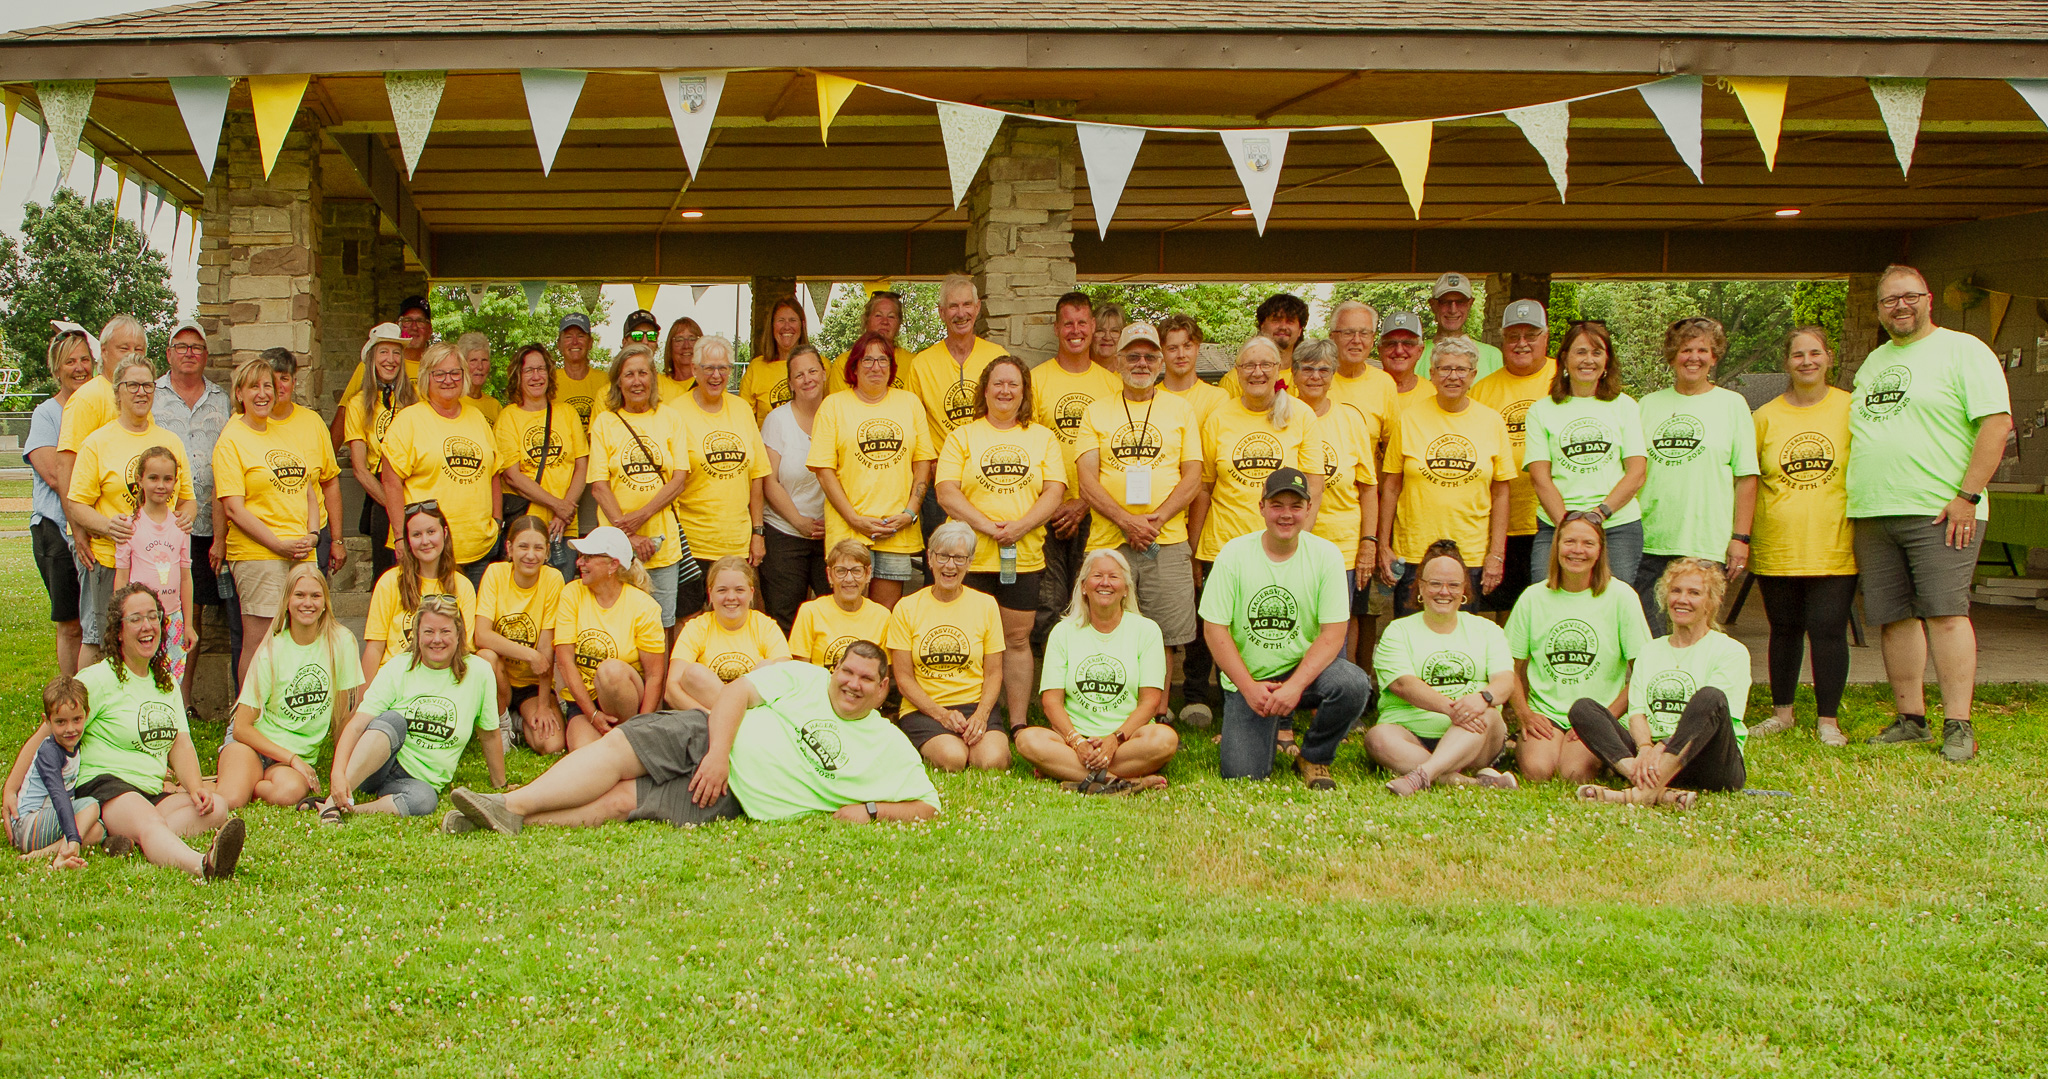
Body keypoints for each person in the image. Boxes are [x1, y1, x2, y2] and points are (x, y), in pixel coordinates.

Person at [445, 643, 937, 833]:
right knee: (622, 750)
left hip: (732, 798)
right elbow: (735, 695)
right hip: (706, 738)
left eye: (865, 680)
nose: (851, 684)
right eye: (846, 672)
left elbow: (929, 806)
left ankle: (508, 820)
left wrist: (870, 811)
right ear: (835, 670)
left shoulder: (889, 744)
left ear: (882, 689)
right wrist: (719, 753)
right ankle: (511, 804)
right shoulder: (804, 677)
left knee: (622, 802)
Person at [1847, 264, 2013, 761]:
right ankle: (1910, 718)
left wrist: (1968, 495)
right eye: (1889, 300)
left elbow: (1996, 425)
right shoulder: (1873, 362)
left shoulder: (1964, 350)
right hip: (1876, 509)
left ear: (1928, 299)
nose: (1900, 306)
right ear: (1879, 309)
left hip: (1941, 510)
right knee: (1894, 618)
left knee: (1945, 614)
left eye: (1909, 297)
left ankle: (1958, 724)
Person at [1203, 468, 1372, 788]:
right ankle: (1258, 729)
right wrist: (1250, 688)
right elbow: (1215, 629)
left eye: (1295, 506)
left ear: (1309, 509)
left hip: (1305, 676)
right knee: (1242, 775)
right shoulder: (1233, 555)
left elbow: (1334, 633)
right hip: (1251, 679)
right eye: (1277, 505)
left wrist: (1294, 686)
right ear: (1262, 507)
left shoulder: (1327, 556)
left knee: (1352, 682)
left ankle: (1315, 756)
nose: (1286, 514)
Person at [1187, 336, 1322, 732]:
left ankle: (1282, 715)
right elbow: (1205, 486)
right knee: (1219, 628)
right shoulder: (1219, 417)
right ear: (1237, 371)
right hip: (1224, 543)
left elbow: (1314, 484)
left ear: (1280, 368)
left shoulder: (1300, 414)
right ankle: (1217, 704)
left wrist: (1299, 541)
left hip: (1282, 546)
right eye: (1248, 365)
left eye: (1266, 364)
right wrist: (1195, 547)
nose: (1257, 372)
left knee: (1275, 629)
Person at [1072, 323, 1205, 721]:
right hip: (1110, 542)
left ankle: (1158, 712)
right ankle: (1111, 709)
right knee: (1107, 624)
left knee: (1162, 633)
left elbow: (1193, 475)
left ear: (1161, 362)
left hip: (1167, 540)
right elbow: (1086, 479)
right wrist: (1127, 520)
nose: (1141, 363)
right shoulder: (1097, 410)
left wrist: (1157, 519)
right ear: (1117, 361)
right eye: (1133, 356)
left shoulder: (1180, 409)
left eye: (1149, 356)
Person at [73, 584, 245, 878]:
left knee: (216, 807)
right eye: (136, 619)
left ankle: (129, 841)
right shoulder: (98, 678)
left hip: (150, 790)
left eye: (153, 617)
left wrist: (195, 788)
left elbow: (181, 745)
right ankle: (203, 865)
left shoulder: (164, 682)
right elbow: (50, 733)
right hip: (107, 787)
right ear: (118, 631)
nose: (147, 626)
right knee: (149, 821)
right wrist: (13, 790)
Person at [938, 355, 1065, 732]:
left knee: (1015, 639)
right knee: (969, 639)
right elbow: (946, 491)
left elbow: (1055, 492)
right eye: (998, 383)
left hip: (1020, 557)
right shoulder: (962, 436)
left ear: (1024, 392)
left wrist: (1020, 527)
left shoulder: (1042, 437)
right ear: (985, 389)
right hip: (966, 559)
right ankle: (974, 717)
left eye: (1014, 384)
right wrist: (989, 528)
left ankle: (1018, 723)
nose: (1005, 391)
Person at [1749, 326, 1857, 746]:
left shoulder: (1850, 408)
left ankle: (1828, 720)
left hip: (1834, 540)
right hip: (1778, 540)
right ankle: (1782, 713)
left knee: (1829, 628)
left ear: (1829, 358)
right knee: (1784, 628)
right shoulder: (1765, 416)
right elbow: (1749, 479)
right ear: (1786, 362)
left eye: (1815, 353)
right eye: (1798, 355)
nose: (1807, 361)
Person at [1574, 558, 1751, 807]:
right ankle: (1655, 788)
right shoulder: (1650, 651)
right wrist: (1645, 747)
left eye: (1694, 593)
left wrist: (1662, 748)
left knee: (1710, 697)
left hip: (1707, 761)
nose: (1682, 599)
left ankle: (1636, 795)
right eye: (1676, 591)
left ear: (1712, 602)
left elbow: (1716, 716)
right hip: (1650, 760)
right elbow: (1636, 713)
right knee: (1583, 709)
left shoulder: (1732, 651)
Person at [323, 596, 505, 823]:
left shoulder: (480, 672)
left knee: (425, 800)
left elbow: (489, 734)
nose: (436, 640)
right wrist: (338, 775)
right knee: (393, 720)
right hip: (374, 765)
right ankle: (332, 803)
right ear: (417, 635)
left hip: (416, 781)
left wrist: (501, 785)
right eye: (428, 632)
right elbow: (357, 725)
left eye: (445, 632)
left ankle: (352, 809)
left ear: (459, 635)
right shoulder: (397, 667)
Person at [65, 358, 197, 669]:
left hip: (160, 566)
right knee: (101, 641)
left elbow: (187, 499)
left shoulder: (170, 441)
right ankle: (93, 711)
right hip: (111, 562)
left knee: (158, 651)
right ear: (118, 392)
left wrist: (186, 517)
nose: (141, 392)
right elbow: (75, 503)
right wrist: (109, 526)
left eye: (148, 385)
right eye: (133, 385)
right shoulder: (97, 443)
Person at [1016, 548, 1179, 793]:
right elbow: (1051, 702)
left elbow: (1150, 702)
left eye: (1114, 577)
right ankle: (1123, 782)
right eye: (1097, 576)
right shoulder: (1063, 632)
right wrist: (1077, 742)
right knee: (1028, 740)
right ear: (1083, 586)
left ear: (1126, 588)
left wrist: (1115, 739)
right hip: (1074, 742)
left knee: (1165, 740)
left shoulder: (1147, 631)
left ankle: (1072, 772)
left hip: (1127, 740)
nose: (1105, 583)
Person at [1504, 513, 1651, 784]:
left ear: (1600, 551)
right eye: (1569, 541)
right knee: (1538, 771)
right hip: (1546, 713)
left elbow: (1644, 672)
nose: (1577, 551)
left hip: (1598, 714)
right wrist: (1525, 714)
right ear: (1556, 546)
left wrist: (1603, 719)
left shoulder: (1622, 597)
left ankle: (1605, 756)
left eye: (1588, 543)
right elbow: (1509, 667)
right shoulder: (1533, 597)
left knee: (1574, 774)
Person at [1635, 317, 1760, 633]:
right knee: (1650, 637)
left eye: (1702, 350)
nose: (1694, 357)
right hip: (1651, 539)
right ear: (1672, 356)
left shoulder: (1733, 405)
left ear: (1714, 357)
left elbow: (1746, 477)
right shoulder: (1647, 406)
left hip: (1706, 542)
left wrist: (1740, 539)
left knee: (1696, 634)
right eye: (1685, 349)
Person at [1369, 539, 1519, 795]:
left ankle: (1423, 774)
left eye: (1453, 585)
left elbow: (1505, 682)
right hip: (1411, 733)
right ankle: (1467, 780)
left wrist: (1482, 698)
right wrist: (1452, 709)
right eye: (1435, 584)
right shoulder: (1398, 631)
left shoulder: (1487, 630)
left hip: (1475, 735)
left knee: (1486, 712)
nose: (1444, 592)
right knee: (1377, 738)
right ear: (1420, 588)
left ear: (1464, 592)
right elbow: (1403, 684)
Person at [1377, 337, 1514, 617]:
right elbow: (1391, 487)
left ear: (1474, 375)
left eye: (1462, 369)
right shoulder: (1410, 418)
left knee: (1460, 642)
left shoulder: (1492, 422)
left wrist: (1496, 554)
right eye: (1445, 369)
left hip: (1470, 554)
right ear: (1432, 374)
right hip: (1414, 552)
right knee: (1411, 638)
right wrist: (1383, 545)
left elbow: (1501, 493)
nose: (1453, 376)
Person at [215, 357, 326, 683]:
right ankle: (246, 719)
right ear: (239, 393)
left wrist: (313, 534)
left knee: (302, 636)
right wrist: (278, 544)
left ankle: (289, 714)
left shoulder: (284, 436)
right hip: (259, 554)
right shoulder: (231, 440)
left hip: (302, 550)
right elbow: (233, 507)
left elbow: (308, 491)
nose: (263, 393)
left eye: (268, 386)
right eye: (254, 387)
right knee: (261, 640)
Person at [216, 563, 363, 809]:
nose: (308, 603)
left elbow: (342, 718)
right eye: (299, 595)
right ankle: (233, 781)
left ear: (326, 601)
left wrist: (340, 771)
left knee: (289, 793)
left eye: (316, 595)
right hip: (253, 744)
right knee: (230, 800)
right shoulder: (271, 649)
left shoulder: (342, 642)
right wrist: (293, 759)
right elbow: (242, 727)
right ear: (286, 601)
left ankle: (244, 781)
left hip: (291, 761)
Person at [809, 331, 937, 609]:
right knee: (847, 615)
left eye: (883, 360)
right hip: (848, 530)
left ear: (892, 367)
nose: (876, 367)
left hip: (896, 531)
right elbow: (823, 471)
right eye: (867, 360)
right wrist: (854, 519)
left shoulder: (910, 403)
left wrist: (910, 513)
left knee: (884, 617)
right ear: (854, 366)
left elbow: (923, 463)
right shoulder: (833, 405)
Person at [1524, 318, 1647, 588]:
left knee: (1611, 605)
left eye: (1596, 352)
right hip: (1557, 525)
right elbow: (1540, 479)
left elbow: (1637, 473)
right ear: (1565, 359)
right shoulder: (1541, 411)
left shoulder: (1625, 406)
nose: (1588, 360)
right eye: (1580, 352)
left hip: (1617, 527)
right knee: (1547, 597)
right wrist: (1568, 526)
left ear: (1607, 360)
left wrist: (1599, 515)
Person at [588, 343, 699, 633]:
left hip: (662, 546)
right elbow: (599, 487)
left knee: (661, 625)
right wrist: (630, 535)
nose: (636, 381)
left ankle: (658, 681)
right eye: (628, 375)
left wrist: (641, 516)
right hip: (614, 548)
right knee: (616, 625)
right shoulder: (605, 423)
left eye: (642, 373)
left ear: (652, 378)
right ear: (618, 381)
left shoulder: (670, 418)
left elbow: (679, 479)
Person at [1033, 292, 1122, 651]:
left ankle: (1089, 666)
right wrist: (1052, 500)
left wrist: (1084, 502)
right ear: (1056, 328)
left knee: (1092, 595)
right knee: (1048, 599)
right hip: (1046, 509)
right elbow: (1029, 447)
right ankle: (1044, 679)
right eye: (1067, 323)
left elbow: (1117, 455)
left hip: (1096, 509)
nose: (1075, 330)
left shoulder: (1111, 384)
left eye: (1082, 323)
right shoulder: (1036, 380)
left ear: (1092, 327)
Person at [883, 521, 1008, 771]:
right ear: (929, 559)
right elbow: (904, 678)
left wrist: (981, 715)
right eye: (942, 556)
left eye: (959, 558)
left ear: (970, 562)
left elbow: (994, 673)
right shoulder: (906, 607)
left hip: (974, 705)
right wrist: (941, 715)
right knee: (953, 758)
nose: (950, 565)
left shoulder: (986, 605)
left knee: (992, 761)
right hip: (925, 708)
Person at [379, 341, 504, 588]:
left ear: (464, 376)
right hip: (429, 552)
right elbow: (391, 482)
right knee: (435, 625)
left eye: (455, 372)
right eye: (440, 373)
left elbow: (494, 473)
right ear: (427, 377)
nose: (448, 380)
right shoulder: (409, 420)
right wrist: (400, 537)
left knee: (474, 624)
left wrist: (497, 523)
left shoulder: (477, 418)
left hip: (480, 549)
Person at [151, 319, 232, 693]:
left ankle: (183, 697)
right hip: (159, 524)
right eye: (181, 346)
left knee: (192, 609)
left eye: (196, 347)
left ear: (205, 356)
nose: (189, 353)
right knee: (155, 606)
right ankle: (152, 689)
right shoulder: (152, 395)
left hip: (202, 525)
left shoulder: (221, 399)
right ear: (168, 353)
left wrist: (221, 532)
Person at [670, 335, 771, 616]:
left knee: (737, 616)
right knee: (687, 618)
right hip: (690, 541)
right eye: (708, 368)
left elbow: (757, 476)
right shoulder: (675, 412)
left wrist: (758, 532)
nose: (716, 375)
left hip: (736, 542)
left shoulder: (740, 409)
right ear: (694, 370)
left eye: (723, 368)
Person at [1291, 339, 1380, 652]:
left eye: (1324, 369)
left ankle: (1328, 699)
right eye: (1308, 368)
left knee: (1334, 629)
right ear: (1293, 373)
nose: (1316, 376)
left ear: (1333, 375)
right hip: (1289, 541)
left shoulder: (1351, 420)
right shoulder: (1282, 414)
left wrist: (1368, 543)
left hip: (1340, 545)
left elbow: (1368, 487)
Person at [1469, 299, 1558, 613]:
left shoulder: (1564, 380)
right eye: (1513, 335)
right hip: (1501, 523)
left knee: (1548, 607)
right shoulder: (1481, 390)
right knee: (1500, 609)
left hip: (1552, 519)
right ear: (1502, 340)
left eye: (1531, 334)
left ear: (1545, 337)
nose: (1522, 343)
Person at [551, 527, 668, 751]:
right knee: (585, 757)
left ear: (612, 565)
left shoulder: (643, 606)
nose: (579, 564)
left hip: (627, 698)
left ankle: (629, 736)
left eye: (588, 558)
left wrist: (641, 727)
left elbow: (654, 676)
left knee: (611, 671)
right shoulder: (571, 593)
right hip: (585, 704)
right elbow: (565, 663)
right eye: (580, 557)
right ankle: (614, 745)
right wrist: (592, 714)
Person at [907, 275, 1005, 541]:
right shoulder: (922, 363)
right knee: (940, 555)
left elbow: (1012, 417)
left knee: (986, 550)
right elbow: (913, 425)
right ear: (941, 312)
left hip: (988, 473)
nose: (960, 313)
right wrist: (930, 466)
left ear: (977, 308)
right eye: (952, 306)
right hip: (938, 480)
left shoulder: (997, 357)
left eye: (966, 305)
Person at [28, 324, 99, 676]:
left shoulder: (100, 408)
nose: (79, 368)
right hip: (57, 530)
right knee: (72, 623)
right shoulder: (47, 414)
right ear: (57, 368)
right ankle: (70, 696)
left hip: (93, 528)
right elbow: (56, 476)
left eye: (85, 360)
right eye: (70, 361)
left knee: (95, 622)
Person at [495, 342, 589, 580]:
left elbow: (582, 465)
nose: (536, 376)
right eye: (529, 371)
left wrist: (564, 511)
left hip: (565, 526)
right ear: (518, 375)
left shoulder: (567, 413)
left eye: (541, 369)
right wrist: (557, 505)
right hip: (526, 524)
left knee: (561, 594)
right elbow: (512, 476)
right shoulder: (509, 417)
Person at [475, 517, 566, 753]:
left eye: (538, 548)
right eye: (523, 546)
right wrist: (530, 655)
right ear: (509, 548)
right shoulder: (495, 573)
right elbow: (482, 635)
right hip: (498, 677)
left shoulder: (552, 579)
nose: (530, 555)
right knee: (485, 657)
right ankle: (503, 722)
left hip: (532, 683)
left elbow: (546, 651)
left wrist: (544, 705)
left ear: (547, 552)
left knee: (551, 744)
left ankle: (519, 719)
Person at [112, 447, 197, 694]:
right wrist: (121, 621)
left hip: (173, 618)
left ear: (175, 482)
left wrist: (188, 624)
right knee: (140, 676)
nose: (161, 485)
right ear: (140, 480)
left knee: (171, 681)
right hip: (140, 620)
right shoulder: (129, 526)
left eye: (168, 479)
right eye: (153, 478)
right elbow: (121, 577)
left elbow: (185, 577)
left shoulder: (181, 526)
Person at [256, 347, 346, 577]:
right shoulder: (244, 425)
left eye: (284, 378)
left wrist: (337, 539)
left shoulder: (312, 422)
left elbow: (330, 483)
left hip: (314, 534)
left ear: (294, 382)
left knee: (311, 606)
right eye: (271, 380)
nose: (278, 386)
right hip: (262, 537)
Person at [361, 502, 478, 674]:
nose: (425, 541)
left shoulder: (462, 586)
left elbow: (463, 650)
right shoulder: (389, 581)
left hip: (441, 676)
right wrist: (363, 700)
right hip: (395, 678)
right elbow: (375, 648)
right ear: (407, 540)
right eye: (416, 534)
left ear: (444, 533)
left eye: (431, 532)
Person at [759, 348, 830, 631]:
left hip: (831, 533)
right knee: (785, 618)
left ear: (824, 374)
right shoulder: (777, 421)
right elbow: (768, 480)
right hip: (785, 532)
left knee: (830, 615)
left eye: (812, 371)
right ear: (790, 383)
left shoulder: (838, 412)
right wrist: (800, 522)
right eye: (798, 375)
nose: (807, 379)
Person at [665, 557, 792, 711]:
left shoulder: (766, 626)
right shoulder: (696, 627)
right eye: (722, 590)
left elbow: (785, 682)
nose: (731, 597)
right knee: (694, 673)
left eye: (739, 590)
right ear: (710, 593)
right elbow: (671, 690)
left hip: (756, 716)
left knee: (768, 668)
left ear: (751, 593)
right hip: (709, 717)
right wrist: (710, 716)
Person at [5, 677, 106, 867]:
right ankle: (64, 853)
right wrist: (73, 837)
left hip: (47, 823)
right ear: (47, 721)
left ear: (87, 714)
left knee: (97, 830)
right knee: (91, 806)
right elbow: (59, 795)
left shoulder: (75, 745)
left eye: (77, 719)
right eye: (60, 722)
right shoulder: (49, 751)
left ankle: (43, 854)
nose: (70, 729)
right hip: (27, 824)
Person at [343, 323, 417, 582]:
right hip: (382, 493)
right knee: (386, 577)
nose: (391, 360)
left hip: (415, 490)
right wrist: (394, 503)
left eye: (396, 353)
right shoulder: (357, 405)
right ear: (372, 357)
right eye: (384, 352)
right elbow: (360, 469)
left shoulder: (414, 399)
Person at [56, 314, 152, 501]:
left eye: (138, 349)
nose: (132, 355)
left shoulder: (142, 397)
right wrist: (79, 526)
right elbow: (66, 468)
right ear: (104, 352)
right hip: (97, 524)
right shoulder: (87, 398)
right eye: (124, 349)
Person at [789, 540, 891, 668]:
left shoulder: (882, 616)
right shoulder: (810, 612)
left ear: (868, 573)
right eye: (841, 571)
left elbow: (880, 679)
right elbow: (800, 674)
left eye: (856, 571)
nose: (849, 579)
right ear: (830, 575)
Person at [1215, 292, 1311, 393]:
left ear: (1300, 330)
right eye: (1276, 320)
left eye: (1290, 321)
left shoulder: (1311, 378)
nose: (1283, 327)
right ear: (1262, 326)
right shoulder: (1235, 379)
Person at [1419, 273, 1504, 379]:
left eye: (1460, 302)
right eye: (1445, 302)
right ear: (1433, 305)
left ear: (1470, 304)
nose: (1453, 310)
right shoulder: (1417, 354)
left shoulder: (1492, 356)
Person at [827, 292, 913, 394]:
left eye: (891, 317)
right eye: (878, 315)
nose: (884, 321)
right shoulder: (843, 363)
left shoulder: (913, 362)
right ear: (867, 320)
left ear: (899, 323)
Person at [739, 297, 808, 423]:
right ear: (772, 326)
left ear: (802, 325)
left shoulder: (820, 366)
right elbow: (742, 419)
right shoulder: (756, 367)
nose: (787, 327)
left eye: (792, 320)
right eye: (781, 321)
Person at [1158, 313, 1227, 423]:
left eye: (1187, 346)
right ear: (1161, 352)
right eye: (1172, 348)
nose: (1181, 354)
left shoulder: (1217, 398)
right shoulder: (1151, 398)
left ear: (1197, 348)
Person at [552, 313, 610, 431]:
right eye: (568, 337)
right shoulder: (549, 381)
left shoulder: (606, 381)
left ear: (590, 343)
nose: (574, 342)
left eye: (580, 336)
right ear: (559, 344)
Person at [453, 331, 502, 424]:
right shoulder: (453, 401)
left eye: (484, 360)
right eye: (473, 360)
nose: (480, 367)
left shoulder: (495, 406)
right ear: (462, 364)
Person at [658, 316, 703, 402]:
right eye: (679, 339)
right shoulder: (658, 383)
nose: (686, 346)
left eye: (692, 339)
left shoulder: (709, 383)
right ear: (670, 347)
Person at [1090, 300, 1125, 374]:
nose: (1107, 337)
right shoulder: (1079, 371)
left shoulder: (1128, 374)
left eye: (1114, 331)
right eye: (1100, 331)